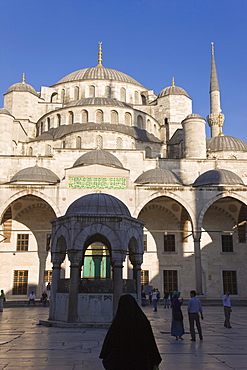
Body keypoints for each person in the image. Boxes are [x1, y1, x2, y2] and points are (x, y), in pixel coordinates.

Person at [99, 294, 162, 370]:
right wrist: (154, 360)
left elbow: (109, 342)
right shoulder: (142, 321)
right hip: (141, 362)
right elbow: (150, 342)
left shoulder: (119, 322)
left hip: (122, 363)